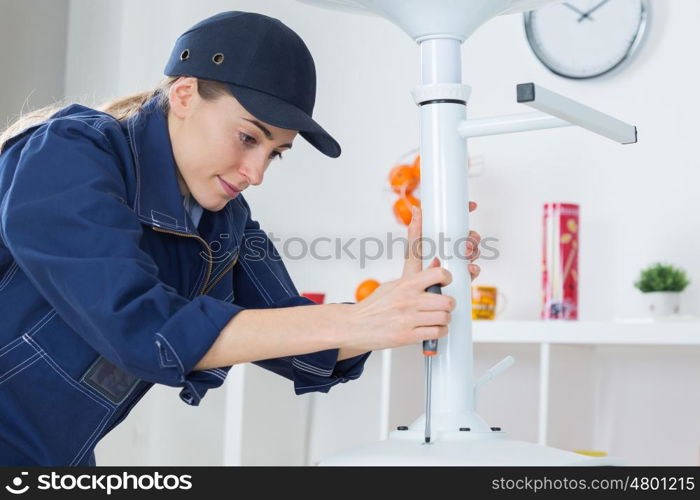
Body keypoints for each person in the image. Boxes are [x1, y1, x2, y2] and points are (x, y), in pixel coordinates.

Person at [0, 10, 481, 466]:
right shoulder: (67, 154)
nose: (256, 174)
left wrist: (404, 300)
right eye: (249, 138)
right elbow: (140, 325)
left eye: (275, 154)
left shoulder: (224, 219)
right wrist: (358, 322)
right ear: (185, 95)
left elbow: (295, 340)